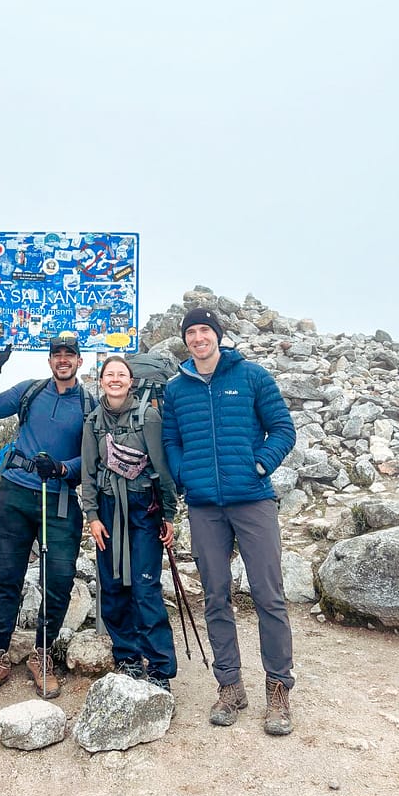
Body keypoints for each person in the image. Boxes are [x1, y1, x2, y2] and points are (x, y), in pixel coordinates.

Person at [162, 308, 297, 735]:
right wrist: (184, 475)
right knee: (215, 596)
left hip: (253, 501)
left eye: (205, 330)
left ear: (218, 335)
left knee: (269, 595)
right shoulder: (176, 389)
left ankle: (278, 688)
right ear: (186, 340)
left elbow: (283, 429)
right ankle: (230, 686)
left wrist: (259, 465)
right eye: (191, 332)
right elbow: (171, 440)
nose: (198, 338)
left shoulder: (252, 376)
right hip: (204, 507)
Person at [0, 335, 92, 700]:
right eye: (57, 354)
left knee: (59, 580)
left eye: (69, 354)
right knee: (8, 578)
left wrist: (63, 468)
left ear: (80, 361)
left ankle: (42, 655)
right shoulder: (31, 391)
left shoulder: (89, 404)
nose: (63, 359)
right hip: (15, 494)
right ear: (50, 360)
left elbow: (93, 457)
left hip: (59, 499)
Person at [81, 355, 178, 691]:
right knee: (112, 586)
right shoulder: (93, 421)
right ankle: (128, 658)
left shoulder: (147, 416)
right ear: (101, 381)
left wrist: (169, 514)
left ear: (130, 381)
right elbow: (88, 473)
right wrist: (92, 516)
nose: (115, 379)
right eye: (109, 374)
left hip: (143, 509)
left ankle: (161, 668)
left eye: (121, 374)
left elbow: (162, 468)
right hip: (108, 510)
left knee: (145, 586)